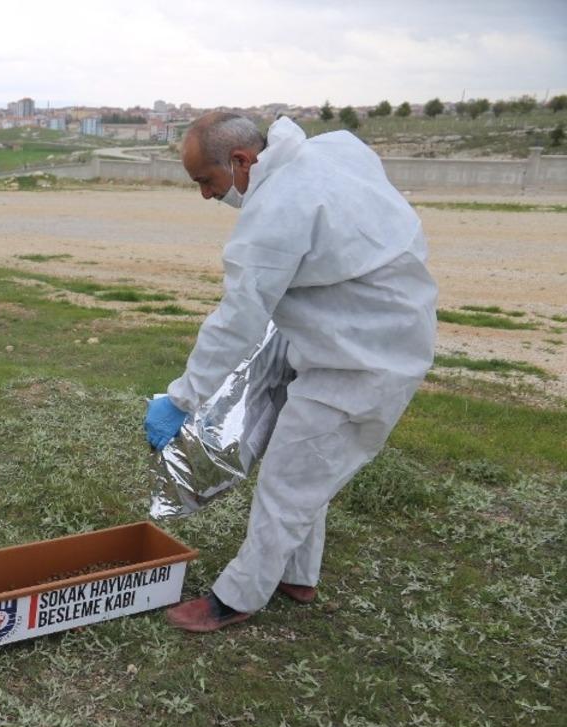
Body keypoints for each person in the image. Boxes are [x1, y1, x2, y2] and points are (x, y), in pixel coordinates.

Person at [145, 112, 437, 632]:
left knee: (287, 480)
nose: (207, 197)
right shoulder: (330, 151)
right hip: (362, 328)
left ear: (240, 161)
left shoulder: (276, 209)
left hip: (364, 360)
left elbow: (237, 319)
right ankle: (298, 575)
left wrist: (182, 398)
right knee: (306, 469)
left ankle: (238, 596)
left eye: (206, 182)